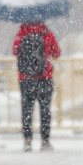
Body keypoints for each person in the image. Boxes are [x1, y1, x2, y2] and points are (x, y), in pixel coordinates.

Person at [13, 21, 61, 152]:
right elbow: (57, 53)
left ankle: (27, 140)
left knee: (27, 110)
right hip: (44, 77)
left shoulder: (21, 33)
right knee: (45, 110)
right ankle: (45, 141)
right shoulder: (47, 33)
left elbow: (15, 51)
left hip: (25, 79)